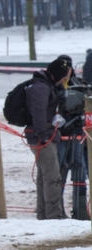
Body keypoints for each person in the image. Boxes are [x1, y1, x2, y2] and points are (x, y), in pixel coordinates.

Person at [25, 57, 71, 220]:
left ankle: (44, 213)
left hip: (40, 135)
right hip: (42, 137)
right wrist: (44, 137)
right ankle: (54, 214)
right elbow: (38, 114)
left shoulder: (42, 85)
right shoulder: (41, 88)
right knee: (52, 176)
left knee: (44, 175)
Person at [56, 55, 90, 220]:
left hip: (77, 135)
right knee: (60, 170)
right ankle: (57, 207)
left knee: (80, 170)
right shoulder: (53, 87)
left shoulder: (79, 85)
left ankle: (81, 209)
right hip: (61, 135)